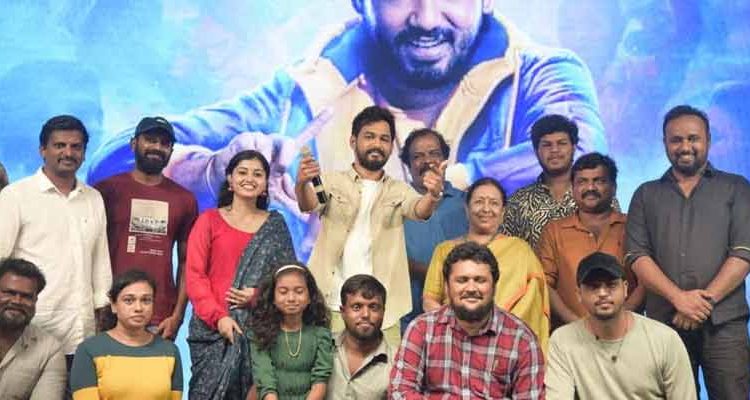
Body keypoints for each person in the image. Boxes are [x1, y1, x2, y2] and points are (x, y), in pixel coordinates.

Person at [86, 0, 606, 257]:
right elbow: (109, 166)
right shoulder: (299, 97)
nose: (427, 18)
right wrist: (214, 169)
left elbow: (584, 157)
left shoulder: (539, 76)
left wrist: (447, 186)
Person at [625, 105, 750, 399]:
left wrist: (701, 304)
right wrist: (678, 299)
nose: (685, 147)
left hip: (725, 325)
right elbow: (637, 257)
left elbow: (744, 253)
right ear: (665, 143)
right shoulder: (645, 194)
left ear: (708, 140)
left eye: (693, 138)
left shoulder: (736, 188)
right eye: (676, 140)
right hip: (665, 324)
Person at [296, 106, 445, 346]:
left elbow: (419, 210)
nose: (377, 144)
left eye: (384, 139)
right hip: (332, 303)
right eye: (369, 136)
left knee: (387, 369)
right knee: (328, 368)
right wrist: (302, 183)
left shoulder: (400, 190)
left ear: (391, 146)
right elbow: (309, 204)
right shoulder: (332, 182)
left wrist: (433, 195)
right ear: (353, 141)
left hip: (384, 309)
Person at [0, 115, 111, 365]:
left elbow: (100, 262)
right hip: (29, 329)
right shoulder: (16, 196)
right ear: (43, 150)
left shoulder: (93, 198)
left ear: (84, 153)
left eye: (76, 146)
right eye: (59, 145)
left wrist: (103, 311)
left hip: (81, 332)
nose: (68, 153)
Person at [186, 150, 296, 400]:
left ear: (265, 184)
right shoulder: (209, 220)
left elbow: (289, 280)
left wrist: (257, 296)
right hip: (211, 330)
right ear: (230, 179)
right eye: (242, 172)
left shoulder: (275, 226)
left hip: (259, 331)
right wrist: (220, 318)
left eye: (257, 174)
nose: (249, 179)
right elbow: (195, 276)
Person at [390, 242, 544, 398]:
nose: (471, 288)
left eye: (480, 280)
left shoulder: (521, 340)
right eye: (462, 280)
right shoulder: (422, 329)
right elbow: (400, 391)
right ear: (447, 287)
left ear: (494, 286)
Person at [94, 116, 198, 339]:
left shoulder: (185, 199)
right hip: (108, 312)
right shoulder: (106, 191)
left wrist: (177, 316)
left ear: (171, 150)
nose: (157, 147)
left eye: (164, 143)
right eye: (150, 140)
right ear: (134, 144)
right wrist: (95, 306)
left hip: (159, 316)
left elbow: (187, 262)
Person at [545, 252, 696, 399]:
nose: (603, 293)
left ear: (625, 289)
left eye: (611, 285)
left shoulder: (664, 339)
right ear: (579, 294)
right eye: (594, 287)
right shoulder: (562, 341)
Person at [422, 177, 550, 351]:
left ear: (503, 212)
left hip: (506, 345)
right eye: (479, 202)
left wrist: (495, 331)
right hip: (453, 343)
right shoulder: (444, 250)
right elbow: (430, 300)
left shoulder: (520, 250)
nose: (486, 209)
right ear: (466, 208)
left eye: (494, 203)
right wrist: (459, 328)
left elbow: (531, 305)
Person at [537, 152, 643, 328]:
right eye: (582, 182)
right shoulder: (554, 231)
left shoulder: (632, 226)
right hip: (570, 334)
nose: (590, 187)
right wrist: (578, 327)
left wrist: (619, 320)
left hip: (628, 331)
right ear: (573, 188)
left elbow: (645, 281)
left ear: (614, 187)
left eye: (599, 181)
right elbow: (545, 285)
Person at [503, 114, 619, 248]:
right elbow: (506, 252)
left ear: (574, 147)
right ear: (536, 151)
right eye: (547, 145)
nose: (554, 150)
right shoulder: (518, 202)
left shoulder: (598, 195)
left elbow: (617, 243)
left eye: (561, 143)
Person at [70, 270, 183, 400]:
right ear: (114, 305)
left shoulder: (169, 351)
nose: (138, 308)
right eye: (129, 300)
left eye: (146, 300)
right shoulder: (89, 350)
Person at [399, 128, 468, 332]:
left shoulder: (465, 203)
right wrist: (433, 273)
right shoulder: (396, 204)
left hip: (462, 318)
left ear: (446, 159)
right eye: (418, 156)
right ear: (408, 165)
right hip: (408, 320)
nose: (427, 161)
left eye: (434, 154)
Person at [249, 263, 333, 400]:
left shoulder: (321, 335)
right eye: (283, 292)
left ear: (310, 297)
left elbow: (320, 382)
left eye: (299, 291)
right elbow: (264, 379)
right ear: (273, 297)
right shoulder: (260, 334)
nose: (291, 298)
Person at [0, 257, 66, 399]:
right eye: (9, 293)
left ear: (35, 301)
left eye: (26, 296)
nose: (17, 301)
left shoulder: (49, 350)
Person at [327, 274, 392, 400]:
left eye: (373, 307)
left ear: (383, 312)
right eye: (357, 307)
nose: (365, 314)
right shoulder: (322, 347)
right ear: (343, 312)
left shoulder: (397, 361)